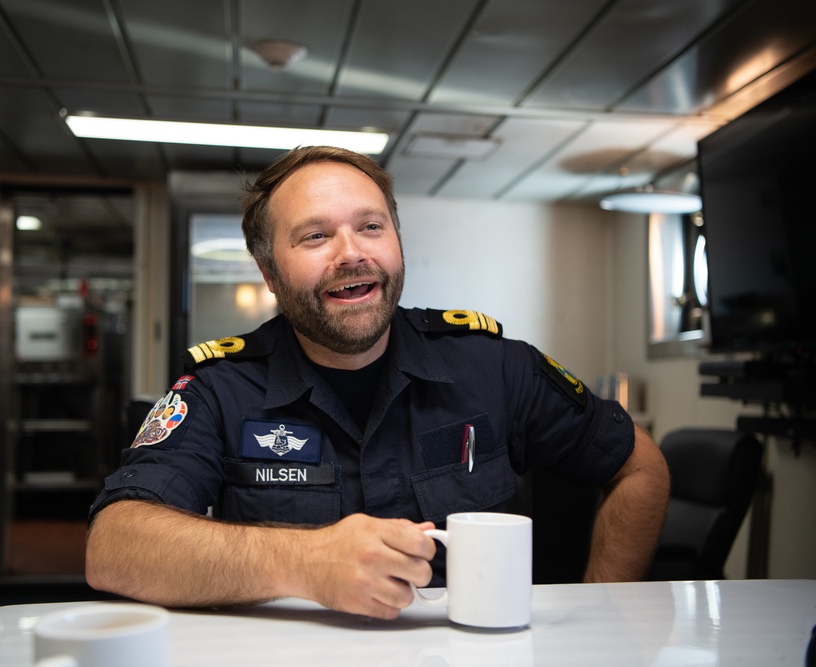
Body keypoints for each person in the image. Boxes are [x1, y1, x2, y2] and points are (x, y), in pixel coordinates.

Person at [85, 145, 670, 620]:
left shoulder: (494, 367)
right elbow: (114, 548)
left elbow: (641, 468)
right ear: (268, 272)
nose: (352, 253)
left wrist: (607, 617)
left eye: (371, 226)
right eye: (315, 236)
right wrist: (306, 562)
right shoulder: (220, 386)